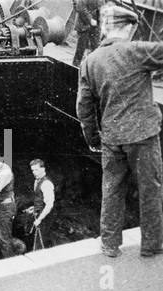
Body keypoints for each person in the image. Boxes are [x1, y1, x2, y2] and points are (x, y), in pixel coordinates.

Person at [76, 4, 163, 258]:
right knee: (150, 189)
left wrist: (93, 139)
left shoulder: (89, 62)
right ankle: (151, 245)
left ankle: (110, 244)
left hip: (111, 139)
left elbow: (84, 108)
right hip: (143, 137)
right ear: (126, 28)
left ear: (105, 28)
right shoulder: (136, 51)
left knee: (112, 191)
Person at [24, 159, 56, 250]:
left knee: (40, 243)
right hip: (38, 215)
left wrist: (40, 219)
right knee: (36, 241)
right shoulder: (37, 181)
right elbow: (41, 200)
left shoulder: (46, 183)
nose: (34, 172)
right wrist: (34, 207)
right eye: (33, 170)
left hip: (45, 218)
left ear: (43, 169)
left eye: (36, 170)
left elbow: (49, 204)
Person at [72, 0, 105, 67]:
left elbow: (102, 9)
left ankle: (92, 66)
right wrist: (90, 19)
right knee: (81, 46)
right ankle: (76, 64)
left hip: (96, 26)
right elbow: (80, 7)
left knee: (96, 46)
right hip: (84, 24)